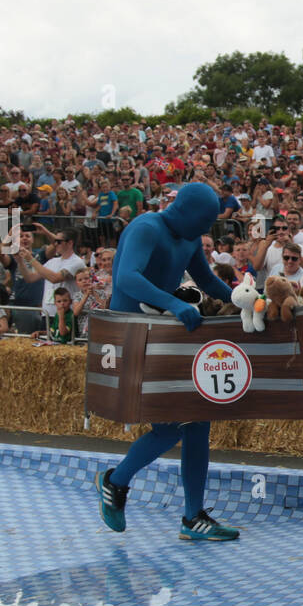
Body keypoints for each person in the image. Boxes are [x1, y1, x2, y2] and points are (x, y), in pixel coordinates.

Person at [95, 182, 239, 542]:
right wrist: (174, 303)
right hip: (135, 335)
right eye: (204, 221)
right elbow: (128, 277)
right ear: (185, 211)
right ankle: (115, 480)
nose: (207, 230)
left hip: (164, 333)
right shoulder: (146, 227)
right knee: (169, 426)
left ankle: (193, 517)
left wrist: (246, 298)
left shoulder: (188, 237)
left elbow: (205, 279)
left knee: (197, 421)